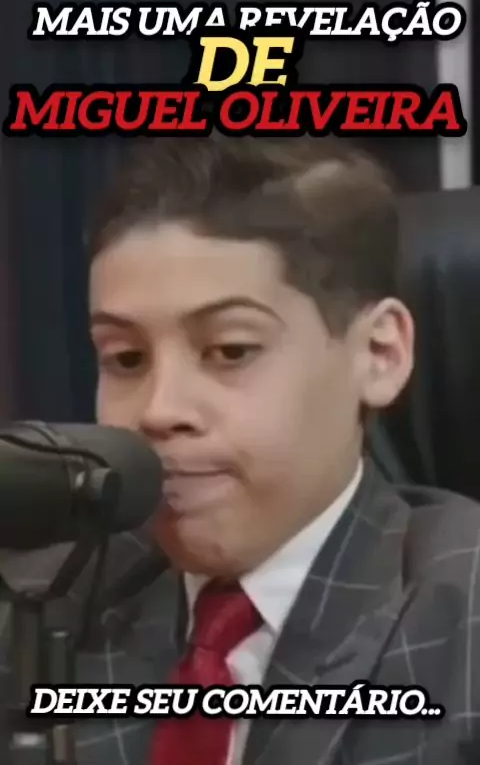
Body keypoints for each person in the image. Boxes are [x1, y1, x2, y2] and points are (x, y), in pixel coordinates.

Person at [2, 135, 480, 764]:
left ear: (379, 354)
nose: (158, 410)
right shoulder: (38, 597)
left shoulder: (464, 619)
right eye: (126, 358)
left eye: (230, 350)